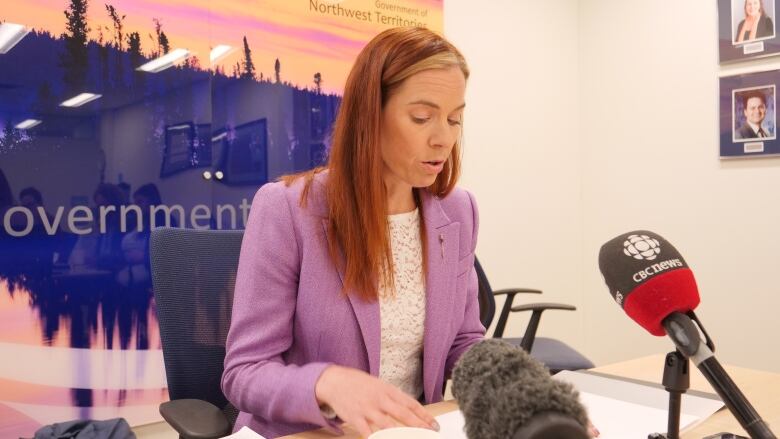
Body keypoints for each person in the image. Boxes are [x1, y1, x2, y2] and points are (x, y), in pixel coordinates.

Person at [221, 27, 484, 438]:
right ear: (369, 114)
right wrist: (327, 384)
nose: (443, 139)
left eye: (454, 119)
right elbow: (245, 373)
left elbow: (464, 342)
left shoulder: (458, 211)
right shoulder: (289, 209)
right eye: (421, 117)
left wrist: (515, 387)